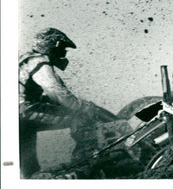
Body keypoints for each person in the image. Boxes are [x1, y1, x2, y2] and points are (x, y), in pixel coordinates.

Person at [18, 28, 118, 178]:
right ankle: (83, 167)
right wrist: (84, 106)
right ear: (53, 46)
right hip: (23, 110)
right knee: (81, 118)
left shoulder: (24, 60)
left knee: (26, 150)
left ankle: (34, 178)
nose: (64, 54)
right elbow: (57, 93)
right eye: (62, 49)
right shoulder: (39, 62)